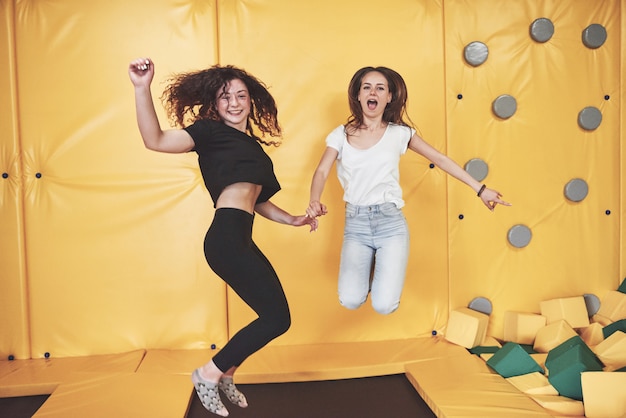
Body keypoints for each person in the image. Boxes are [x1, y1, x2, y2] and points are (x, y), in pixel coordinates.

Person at [128, 58, 317, 417]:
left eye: (240, 95)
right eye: (224, 96)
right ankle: (208, 373)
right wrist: (141, 88)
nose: (233, 102)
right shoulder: (209, 133)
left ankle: (227, 372)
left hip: (241, 238)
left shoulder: (255, 149)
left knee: (275, 315)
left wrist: (293, 219)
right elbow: (154, 140)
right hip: (226, 237)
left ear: (251, 100)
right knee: (276, 319)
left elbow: (258, 199)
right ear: (215, 104)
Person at [307, 66, 511, 315]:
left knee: (384, 306)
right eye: (367, 87)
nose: (373, 92)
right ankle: (368, 266)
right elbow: (320, 172)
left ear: (389, 97)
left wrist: (481, 190)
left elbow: (441, 159)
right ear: (358, 95)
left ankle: (383, 269)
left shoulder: (399, 134)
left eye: (380, 88)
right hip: (356, 225)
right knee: (350, 300)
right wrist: (314, 200)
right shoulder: (339, 135)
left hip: (390, 224)